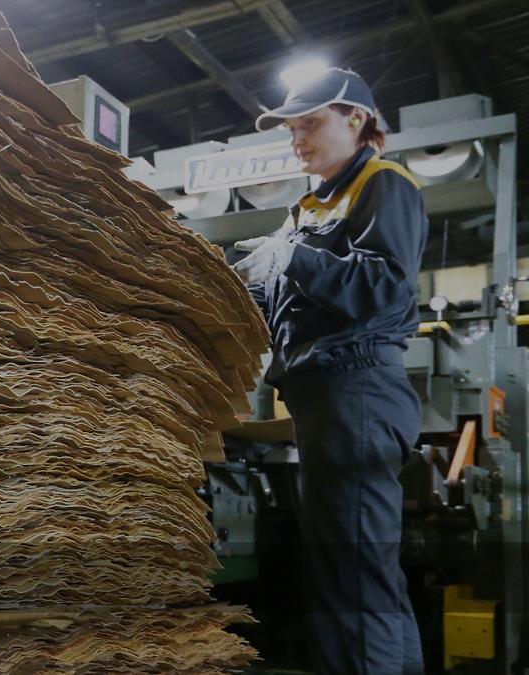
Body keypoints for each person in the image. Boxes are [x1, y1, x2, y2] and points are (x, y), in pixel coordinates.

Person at [232, 68, 428, 674]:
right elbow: (279, 303)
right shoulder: (310, 206)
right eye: (292, 129)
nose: (298, 139)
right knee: (353, 578)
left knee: (353, 579)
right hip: (325, 399)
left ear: (356, 119)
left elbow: (385, 287)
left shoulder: (382, 183)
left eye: (311, 124)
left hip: (357, 388)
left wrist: (293, 255)